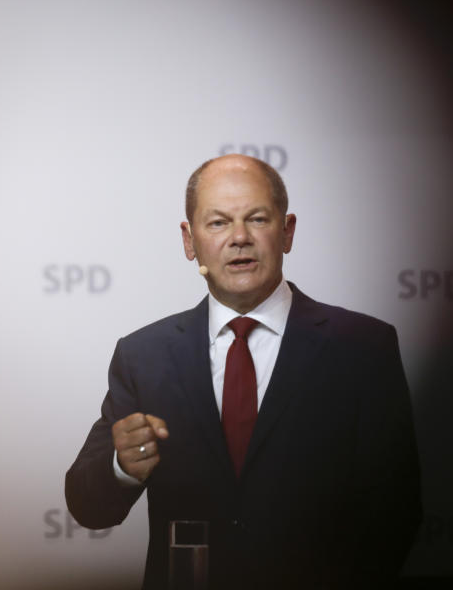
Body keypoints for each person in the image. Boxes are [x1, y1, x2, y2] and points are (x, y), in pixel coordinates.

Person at [65, 154, 421, 589]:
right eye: (217, 223)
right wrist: (121, 464)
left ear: (286, 232)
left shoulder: (364, 348)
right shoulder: (143, 356)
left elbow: (396, 515)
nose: (239, 238)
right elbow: (88, 506)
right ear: (189, 241)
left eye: (257, 219)